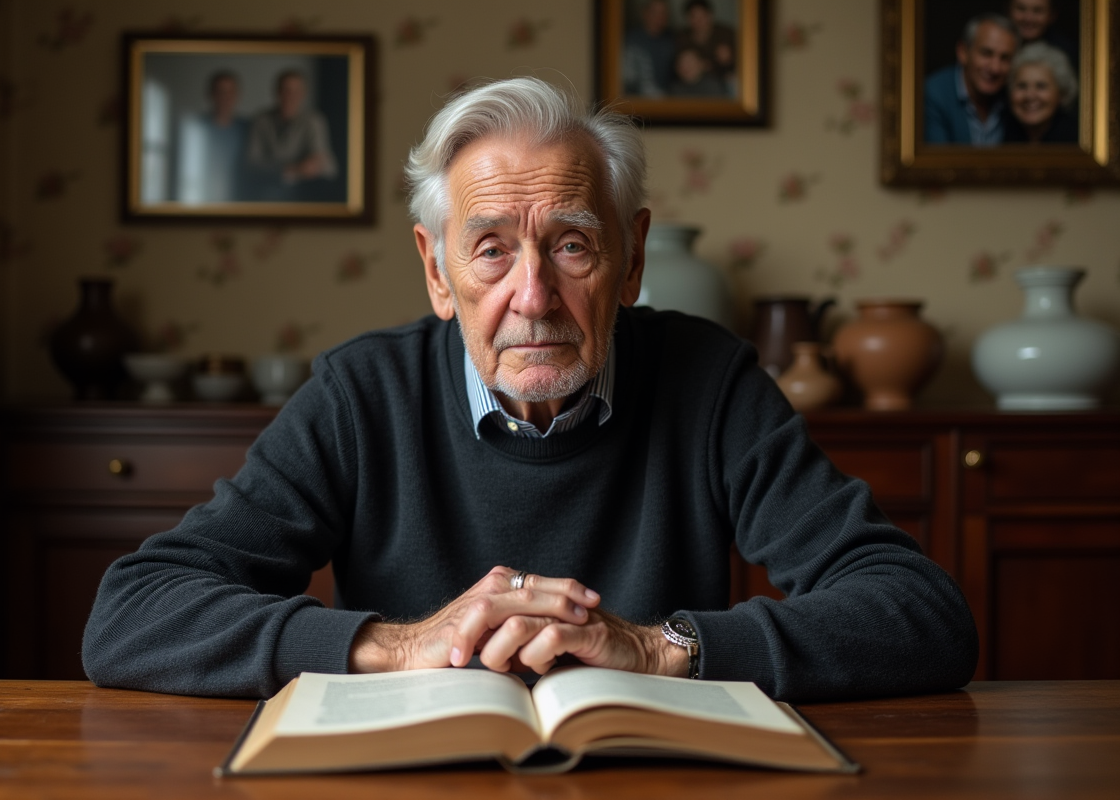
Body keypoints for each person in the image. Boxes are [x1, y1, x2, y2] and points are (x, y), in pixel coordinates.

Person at [82, 77, 977, 703]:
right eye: (491, 249)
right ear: (438, 275)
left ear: (630, 262)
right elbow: (132, 614)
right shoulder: (361, 393)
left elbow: (922, 614)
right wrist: (400, 645)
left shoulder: (711, 382)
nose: (534, 296)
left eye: (574, 245)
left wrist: (659, 649)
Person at [924, 14, 1019, 145]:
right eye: (986, 53)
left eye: (1005, 58)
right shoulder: (933, 95)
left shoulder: (1014, 95)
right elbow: (937, 162)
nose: (995, 68)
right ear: (963, 52)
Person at [247, 69, 339, 201]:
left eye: (296, 91)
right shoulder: (261, 121)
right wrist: (289, 170)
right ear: (277, 92)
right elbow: (252, 163)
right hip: (269, 188)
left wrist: (312, 165)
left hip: (307, 189)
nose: (290, 96)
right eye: (286, 90)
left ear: (303, 94)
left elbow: (325, 163)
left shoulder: (314, 121)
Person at [175, 71, 250, 204]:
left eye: (230, 92)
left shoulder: (248, 129)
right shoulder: (195, 129)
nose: (225, 97)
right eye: (220, 91)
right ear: (210, 95)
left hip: (239, 203)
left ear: (237, 95)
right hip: (201, 201)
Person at [1004, 42, 1079, 143]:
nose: (1030, 95)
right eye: (1022, 86)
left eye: (1041, 86)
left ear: (1061, 93)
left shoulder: (1078, 141)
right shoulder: (1000, 135)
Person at [674, 0, 736, 92]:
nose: (699, 21)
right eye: (694, 17)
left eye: (702, 16)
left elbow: (745, 63)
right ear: (688, 19)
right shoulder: (682, 38)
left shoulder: (726, 34)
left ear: (710, 15)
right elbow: (678, 65)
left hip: (723, 78)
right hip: (693, 81)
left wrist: (729, 59)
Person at [623, 0, 677, 97]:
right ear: (644, 14)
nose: (659, 17)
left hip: (668, 101)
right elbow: (628, 79)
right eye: (655, 12)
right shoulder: (632, 40)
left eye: (663, 13)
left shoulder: (672, 40)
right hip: (637, 101)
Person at [1008, 0, 1078, 69]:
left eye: (1037, 11)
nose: (1028, 18)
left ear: (1052, 15)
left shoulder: (1066, 53)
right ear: (1009, 10)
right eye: (1021, 9)